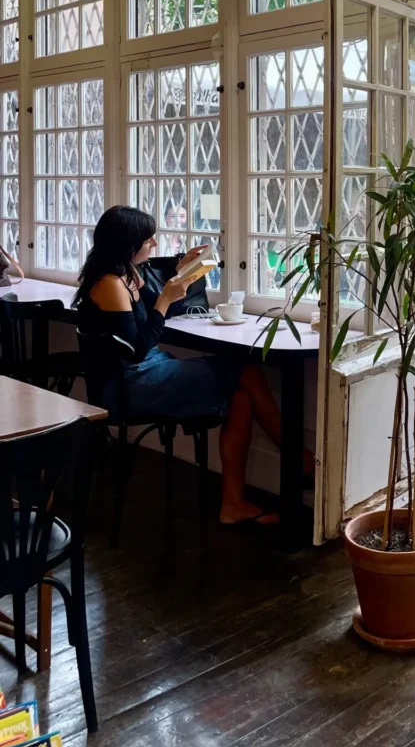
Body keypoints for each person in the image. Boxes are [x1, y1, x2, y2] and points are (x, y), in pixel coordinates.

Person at [74, 205, 282, 526]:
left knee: (241, 398)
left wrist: (183, 274)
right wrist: (163, 300)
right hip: (128, 384)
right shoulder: (109, 284)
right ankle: (298, 460)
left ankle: (233, 504)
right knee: (246, 368)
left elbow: (165, 313)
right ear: (128, 244)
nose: (154, 244)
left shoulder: (129, 274)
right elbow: (136, 347)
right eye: (148, 239)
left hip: (147, 369)